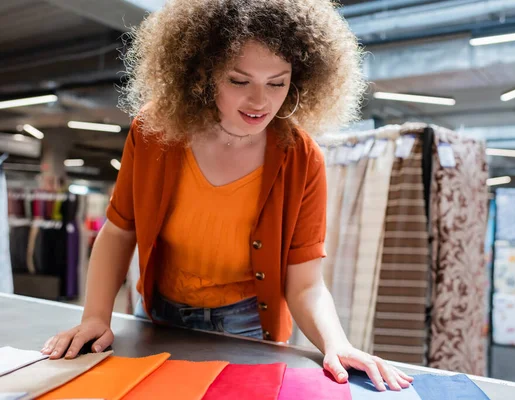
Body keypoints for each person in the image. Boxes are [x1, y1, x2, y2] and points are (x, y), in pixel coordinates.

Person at [41, 0, 413, 391]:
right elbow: (119, 231)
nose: (260, 102)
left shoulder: (301, 157)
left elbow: (305, 282)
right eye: (239, 80)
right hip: (158, 316)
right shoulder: (155, 131)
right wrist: (96, 318)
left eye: (277, 83)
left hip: (249, 326)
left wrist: (337, 344)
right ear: (203, 73)